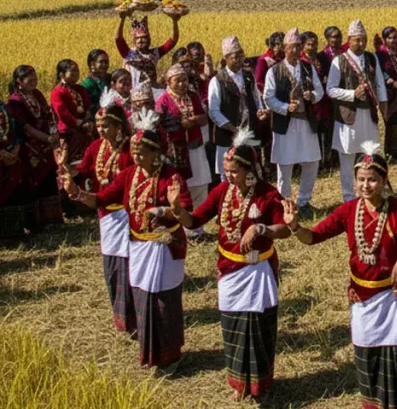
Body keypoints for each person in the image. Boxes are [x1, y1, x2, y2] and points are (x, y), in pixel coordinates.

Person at [286, 142, 397, 409]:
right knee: (367, 355)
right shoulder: (348, 211)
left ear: (384, 181)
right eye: (360, 180)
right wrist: (295, 226)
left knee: (396, 354)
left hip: (394, 295)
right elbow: (313, 237)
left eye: (372, 180)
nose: (366, 185)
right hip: (363, 297)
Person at [64, 110, 193, 373]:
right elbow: (100, 199)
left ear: (155, 153)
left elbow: (187, 212)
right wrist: (76, 193)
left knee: (163, 301)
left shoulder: (171, 177)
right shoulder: (129, 175)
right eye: (134, 152)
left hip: (165, 247)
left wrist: (167, 209)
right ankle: (150, 355)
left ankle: (170, 355)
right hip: (138, 247)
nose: (136, 157)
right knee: (143, 298)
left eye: (141, 153)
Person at [168, 130, 291, 401]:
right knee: (233, 327)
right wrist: (177, 209)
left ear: (250, 170)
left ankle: (260, 386)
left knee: (257, 328)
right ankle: (238, 384)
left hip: (258, 271)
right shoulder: (223, 191)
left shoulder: (268, 194)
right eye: (225, 170)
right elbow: (195, 221)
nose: (227, 176)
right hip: (229, 270)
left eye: (233, 171)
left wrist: (260, 228)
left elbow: (285, 230)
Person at [72, 89, 136, 334]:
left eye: (106, 125)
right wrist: (67, 169)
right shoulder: (96, 146)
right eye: (98, 125)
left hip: (128, 214)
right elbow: (85, 169)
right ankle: (120, 315)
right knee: (111, 266)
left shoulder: (131, 149)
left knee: (127, 265)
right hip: (106, 214)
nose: (100, 129)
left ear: (118, 126)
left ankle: (132, 315)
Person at [264, 28, 324, 218]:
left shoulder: (308, 67)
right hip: (286, 124)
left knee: (312, 161)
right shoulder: (275, 70)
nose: (296, 51)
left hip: (306, 122)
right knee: (285, 164)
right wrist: (284, 107)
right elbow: (268, 97)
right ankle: (285, 204)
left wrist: (312, 95)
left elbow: (320, 91)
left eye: (299, 46)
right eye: (293, 47)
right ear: (284, 48)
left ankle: (304, 201)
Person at [327, 20, 388, 203]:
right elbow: (330, 89)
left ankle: (375, 190)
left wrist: (383, 105)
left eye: (363, 40)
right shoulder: (339, 60)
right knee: (347, 157)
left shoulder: (371, 58)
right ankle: (349, 196)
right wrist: (352, 94)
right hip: (348, 116)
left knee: (372, 153)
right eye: (357, 40)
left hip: (368, 114)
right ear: (349, 40)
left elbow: (379, 84)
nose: (361, 44)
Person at [7, 65, 61, 230]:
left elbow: (48, 114)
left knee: (49, 178)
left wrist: (54, 133)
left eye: (35, 78)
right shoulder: (15, 101)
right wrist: (47, 138)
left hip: (46, 144)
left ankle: (51, 220)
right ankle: (35, 222)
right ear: (19, 82)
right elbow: (25, 127)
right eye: (29, 79)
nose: (34, 81)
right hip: (30, 148)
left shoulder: (37, 94)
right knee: (33, 182)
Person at [157, 64, 211, 223]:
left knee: (200, 184)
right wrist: (180, 125)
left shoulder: (193, 96)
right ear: (168, 81)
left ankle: (199, 224)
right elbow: (159, 125)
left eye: (185, 80)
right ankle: (183, 223)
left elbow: (203, 118)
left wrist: (193, 120)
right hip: (175, 151)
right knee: (181, 187)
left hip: (195, 146)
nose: (182, 84)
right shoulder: (163, 101)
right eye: (177, 81)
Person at [209, 36, 267, 179]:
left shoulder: (248, 75)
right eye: (235, 57)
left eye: (241, 55)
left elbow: (256, 97)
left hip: (250, 129)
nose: (240, 60)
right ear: (226, 58)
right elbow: (213, 110)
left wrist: (260, 111)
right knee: (229, 172)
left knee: (251, 166)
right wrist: (230, 127)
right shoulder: (218, 80)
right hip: (228, 134)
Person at [115, 10, 180, 95]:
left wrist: (174, 21)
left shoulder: (155, 53)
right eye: (137, 38)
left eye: (144, 37)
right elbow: (118, 38)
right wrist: (122, 19)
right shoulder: (128, 53)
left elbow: (173, 41)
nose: (140, 40)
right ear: (134, 41)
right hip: (133, 93)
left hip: (152, 93)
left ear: (149, 39)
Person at [50, 59, 94, 176]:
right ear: (61, 74)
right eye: (72, 71)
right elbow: (63, 113)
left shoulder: (79, 89)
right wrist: (80, 123)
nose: (76, 73)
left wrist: (88, 120)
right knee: (69, 167)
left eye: (77, 71)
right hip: (68, 134)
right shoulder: (57, 92)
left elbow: (87, 107)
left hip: (85, 131)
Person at [376, 27, 397, 161]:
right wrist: (391, 82)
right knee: (392, 121)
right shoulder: (380, 54)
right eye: (390, 38)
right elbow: (379, 72)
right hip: (388, 93)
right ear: (385, 40)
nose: (393, 40)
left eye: (395, 37)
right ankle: (392, 153)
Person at [0, 100, 33, 239]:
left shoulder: (5, 107)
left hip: (12, 155)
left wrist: (16, 149)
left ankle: (15, 230)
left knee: (16, 190)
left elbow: (18, 131)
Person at [302, 31, 334, 169]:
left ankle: (326, 161)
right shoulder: (301, 62)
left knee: (325, 131)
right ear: (303, 45)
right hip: (309, 104)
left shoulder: (322, 58)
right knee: (311, 133)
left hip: (324, 101)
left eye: (315, 44)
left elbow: (328, 76)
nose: (312, 47)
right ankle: (313, 162)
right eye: (309, 44)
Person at [81, 49, 111, 118]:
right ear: (92, 64)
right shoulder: (86, 85)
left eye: (106, 62)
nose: (104, 64)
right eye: (101, 62)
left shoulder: (112, 78)